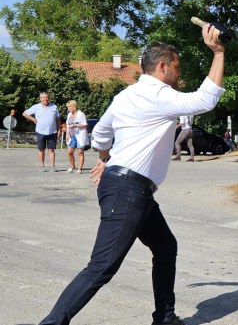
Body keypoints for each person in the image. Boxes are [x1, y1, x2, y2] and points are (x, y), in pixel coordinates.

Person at [39, 24, 226, 325]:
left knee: (165, 246)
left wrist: (106, 159)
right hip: (129, 190)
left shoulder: (126, 95)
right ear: (163, 66)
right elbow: (206, 99)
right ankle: (51, 323)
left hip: (129, 187)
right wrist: (217, 52)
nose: (179, 74)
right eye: (176, 67)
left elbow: (100, 134)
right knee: (101, 266)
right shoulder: (159, 94)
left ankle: (164, 318)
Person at [23, 92, 62, 172]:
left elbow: (57, 118)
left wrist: (59, 128)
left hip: (52, 131)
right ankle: (42, 166)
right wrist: (33, 119)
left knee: (51, 150)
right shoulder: (36, 107)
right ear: (40, 99)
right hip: (40, 131)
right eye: (43, 97)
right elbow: (24, 113)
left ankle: (52, 167)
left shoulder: (54, 107)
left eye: (47, 97)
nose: (45, 99)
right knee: (41, 150)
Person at [65, 100, 89, 174]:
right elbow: (67, 125)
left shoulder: (81, 114)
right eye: (68, 107)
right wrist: (67, 134)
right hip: (72, 136)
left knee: (80, 152)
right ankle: (72, 167)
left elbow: (85, 124)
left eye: (70, 107)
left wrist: (75, 125)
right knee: (69, 152)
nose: (69, 108)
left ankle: (79, 169)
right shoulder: (69, 115)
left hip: (79, 135)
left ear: (74, 106)